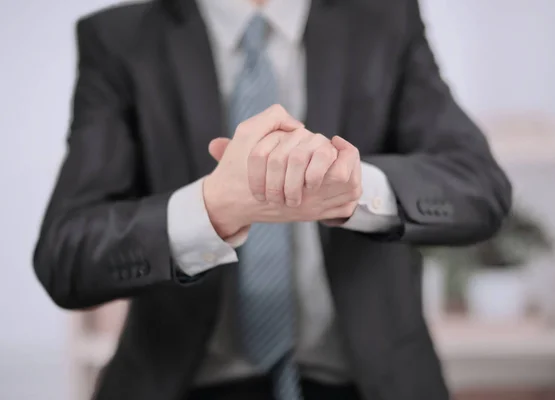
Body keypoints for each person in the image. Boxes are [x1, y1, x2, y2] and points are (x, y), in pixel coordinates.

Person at [33, 0, 512, 399]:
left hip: (367, 380)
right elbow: (66, 254)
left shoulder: (385, 17)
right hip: (184, 381)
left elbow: (479, 186)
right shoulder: (120, 38)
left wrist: (353, 188)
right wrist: (210, 209)